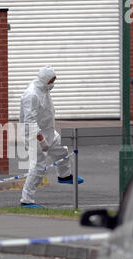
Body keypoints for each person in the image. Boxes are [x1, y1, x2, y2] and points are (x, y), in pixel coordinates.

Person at [19, 66, 84, 209]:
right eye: (52, 80)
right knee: (38, 167)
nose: (53, 83)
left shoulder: (44, 89)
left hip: (49, 131)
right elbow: (30, 121)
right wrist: (41, 140)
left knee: (62, 150)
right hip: (34, 136)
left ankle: (64, 176)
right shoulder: (31, 95)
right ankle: (26, 200)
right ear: (45, 80)